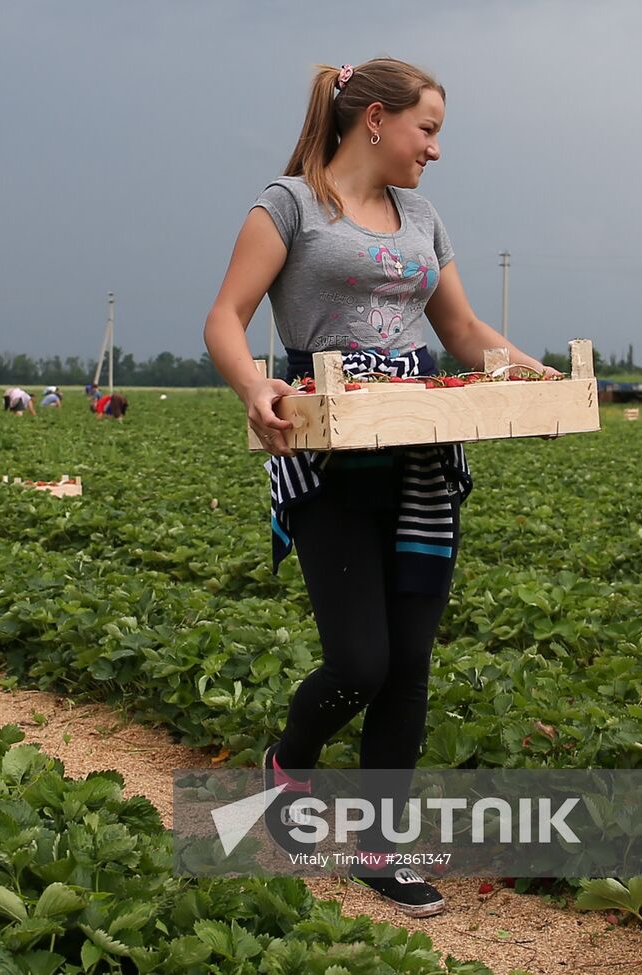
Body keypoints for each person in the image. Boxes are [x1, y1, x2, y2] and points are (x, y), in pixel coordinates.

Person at [202, 59, 558, 918]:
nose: (434, 149)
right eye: (426, 129)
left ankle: (380, 846)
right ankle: (286, 765)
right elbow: (225, 317)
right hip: (329, 451)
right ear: (374, 119)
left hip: (421, 450)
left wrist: (531, 372)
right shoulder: (288, 205)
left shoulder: (423, 218)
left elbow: (461, 328)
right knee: (361, 661)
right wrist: (254, 386)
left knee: (409, 666)